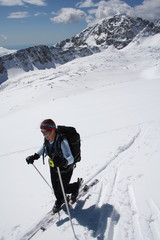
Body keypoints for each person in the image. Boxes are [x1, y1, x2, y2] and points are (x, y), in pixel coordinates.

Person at [26, 119, 82, 213]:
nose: (44, 135)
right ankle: (60, 199)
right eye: (42, 132)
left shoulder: (62, 141)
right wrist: (35, 156)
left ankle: (75, 187)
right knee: (55, 187)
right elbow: (44, 147)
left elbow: (71, 158)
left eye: (46, 132)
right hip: (53, 167)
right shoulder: (47, 139)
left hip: (65, 169)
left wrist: (63, 162)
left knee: (63, 188)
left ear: (53, 130)